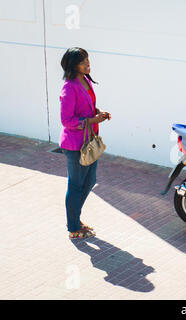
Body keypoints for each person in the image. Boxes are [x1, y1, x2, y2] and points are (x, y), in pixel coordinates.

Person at [58, 47, 111, 239]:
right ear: (73, 66)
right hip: (74, 146)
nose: (88, 64)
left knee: (89, 181)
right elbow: (66, 120)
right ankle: (73, 227)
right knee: (76, 185)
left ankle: (74, 218)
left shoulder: (86, 80)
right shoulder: (69, 87)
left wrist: (98, 112)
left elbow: (88, 105)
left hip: (89, 142)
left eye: (88, 60)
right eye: (83, 62)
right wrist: (91, 121)